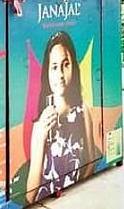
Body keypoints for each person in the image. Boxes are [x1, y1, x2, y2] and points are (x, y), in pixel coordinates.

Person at [26, 31, 96, 204]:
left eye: (66, 64)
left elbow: (91, 162)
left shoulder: (83, 110)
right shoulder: (40, 125)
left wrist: (78, 193)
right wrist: (41, 136)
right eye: (54, 67)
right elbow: (29, 195)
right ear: (47, 72)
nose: (61, 75)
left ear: (74, 66)